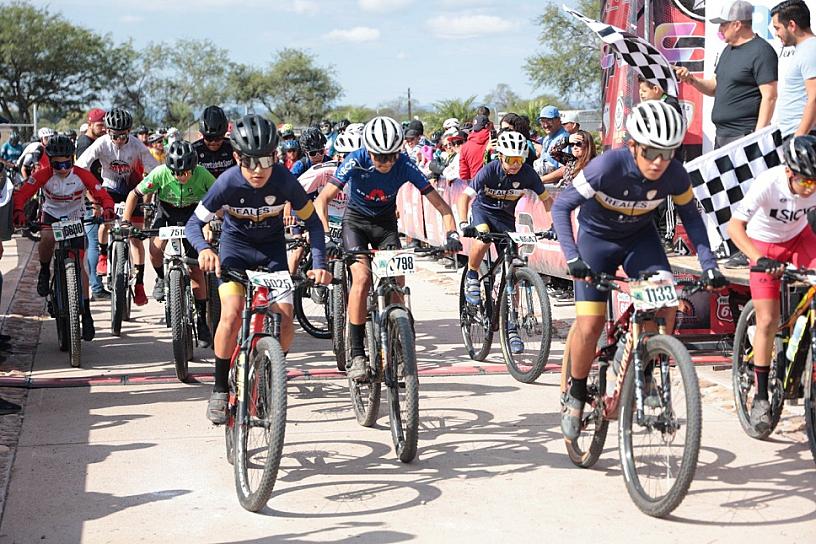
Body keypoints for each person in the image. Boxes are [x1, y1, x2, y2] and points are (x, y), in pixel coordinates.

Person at [551, 101, 726, 440]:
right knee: (590, 324)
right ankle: (575, 395)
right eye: (651, 152)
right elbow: (561, 206)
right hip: (595, 242)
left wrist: (709, 264)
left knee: (667, 302)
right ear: (632, 146)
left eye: (668, 152)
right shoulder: (607, 166)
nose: (659, 161)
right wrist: (573, 257)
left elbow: (692, 216)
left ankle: (644, 372)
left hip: (639, 241)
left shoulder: (675, 174)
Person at [186, 114, 331, 424]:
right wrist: (204, 249)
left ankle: (271, 371)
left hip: (272, 253)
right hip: (235, 252)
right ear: (237, 156)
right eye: (249, 161)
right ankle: (220, 389)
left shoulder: (285, 181)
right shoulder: (226, 182)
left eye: (265, 160)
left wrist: (319, 264)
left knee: (286, 320)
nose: (257, 170)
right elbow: (193, 224)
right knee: (231, 312)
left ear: (275, 156)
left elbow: (314, 225)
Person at [314, 116, 462, 382]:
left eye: (391, 156)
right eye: (379, 157)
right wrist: (326, 238)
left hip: (386, 225)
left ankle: (401, 339)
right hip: (356, 223)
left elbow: (442, 206)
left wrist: (452, 233)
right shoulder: (356, 159)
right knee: (361, 279)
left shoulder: (405, 164)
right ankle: (357, 353)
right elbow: (322, 200)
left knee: (396, 285)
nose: (386, 163)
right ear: (368, 151)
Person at [726, 135, 816, 431]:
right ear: (789, 172)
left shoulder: (812, 182)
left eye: (813, 184)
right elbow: (735, 227)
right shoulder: (769, 182)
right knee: (767, 319)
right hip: (763, 246)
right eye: (804, 182)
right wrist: (757, 258)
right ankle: (761, 397)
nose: (808, 189)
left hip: (799, 239)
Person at [457, 131, 553, 351]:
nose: (515, 165)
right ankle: (472, 274)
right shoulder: (489, 171)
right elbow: (465, 197)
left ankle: (511, 327)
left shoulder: (528, 174)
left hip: (506, 219)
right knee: (483, 240)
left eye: (519, 159)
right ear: (500, 156)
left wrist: (552, 226)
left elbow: (547, 201)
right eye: (510, 159)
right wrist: (463, 223)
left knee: (513, 271)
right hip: (483, 212)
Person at [12, 135, 115, 341]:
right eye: (57, 164)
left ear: (72, 158)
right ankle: (43, 271)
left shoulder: (82, 175)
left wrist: (108, 208)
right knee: (47, 237)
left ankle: (86, 314)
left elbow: (101, 194)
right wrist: (18, 211)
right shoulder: (43, 175)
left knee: (81, 265)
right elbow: (22, 193)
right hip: (51, 216)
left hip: (75, 218)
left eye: (67, 163)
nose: (62, 168)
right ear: (50, 162)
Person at [122, 140, 215, 345]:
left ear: (193, 168)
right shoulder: (160, 173)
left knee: (196, 270)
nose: (180, 176)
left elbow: (216, 198)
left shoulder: (203, 174)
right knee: (154, 249)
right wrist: (125, 222)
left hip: (194, 213)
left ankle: (201, 319)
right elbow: (134, 194)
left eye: (185, 172)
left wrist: (210, 224)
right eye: (175, 172)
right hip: (167, 212)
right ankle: (162, 278)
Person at [75, 108, 159, 305]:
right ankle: (104, 255)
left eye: (124, 135)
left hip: (133, 190)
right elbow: (80, 166)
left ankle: (138, 284)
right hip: (109, 189)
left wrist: (153, 193)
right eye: (115, 135)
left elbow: (155, 171)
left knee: (136, 238)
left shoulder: (138, 146)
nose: (119, 140)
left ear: (129, 131)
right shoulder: (101, 143)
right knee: (106, 223)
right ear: (107, 131)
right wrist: (91, 193)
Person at [675, 0, 778, 148]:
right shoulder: (727, 50)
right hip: (722, 135)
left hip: (745, 136)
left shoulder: (762, 51)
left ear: (737, 25)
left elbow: (770, 96)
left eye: (723, 24)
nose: (720, 28)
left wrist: (757, 137)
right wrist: (691, 79)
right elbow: (713, 87)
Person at [76, 107, 109, 301]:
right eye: (100, 125)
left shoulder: (95, 141)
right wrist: (93, 201)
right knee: (93, 244)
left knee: (96, 242)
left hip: (98, 196)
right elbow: (83, 176)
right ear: (90, 124)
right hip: (90, 200)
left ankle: (96, 285)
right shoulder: (84, 144)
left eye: (105, 125)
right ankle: (96, 287)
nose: (104, 128)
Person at [771, 0, 816, 137]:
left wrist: (798, 137)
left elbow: (814, 96)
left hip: (804, 136)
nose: (776, 33)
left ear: (791, 25)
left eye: (777, 28)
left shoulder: (810, 50)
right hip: (799, 133)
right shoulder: (805, 49)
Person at [192, 105, 236, 179]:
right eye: (208, 138)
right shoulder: (194, 150)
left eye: (218, 138)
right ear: (202, 134)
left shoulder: (232, 147)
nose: (213, 142)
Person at [536, 106, 569, 184]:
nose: (545, 125)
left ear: (558, 120)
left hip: (556, 189)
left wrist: (540, 180)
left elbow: (565, 169)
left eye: (549, 121)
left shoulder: (564, 139)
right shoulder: (547, 139)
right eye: (542, 121)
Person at [459, 114, 493, 181]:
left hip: (475, 185)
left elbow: (463, 174)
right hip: (495, 186)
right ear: (487, 125)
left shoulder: (465, 147)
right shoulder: (494, 143)